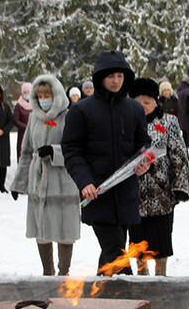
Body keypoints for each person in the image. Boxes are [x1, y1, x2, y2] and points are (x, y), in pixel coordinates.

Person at [62, 50, 152, 274]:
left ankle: (102, 296)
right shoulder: (81, 110)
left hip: (126, 195)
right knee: (116, 253)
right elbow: (72, 150)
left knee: (112, 252)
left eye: (120, 76)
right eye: (111, 76)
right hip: (97, 193)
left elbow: (143, 145)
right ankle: (127, 299)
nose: (116, 81)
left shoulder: (135, 109)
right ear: (100, 77)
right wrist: (85, 182)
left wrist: (145, 162)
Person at [10, 75, 80, 276]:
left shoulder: (69, 116)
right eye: (39, 95)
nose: (43, 99)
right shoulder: (33, 117)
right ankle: (47, 272)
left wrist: (55, 152)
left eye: (47, 95)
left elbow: (76, 149)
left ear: (56, 94)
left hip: (63, 180)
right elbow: (25, 152)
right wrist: (19, 183)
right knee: (41, 229)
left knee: (64, 230)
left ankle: (63, 272)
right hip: (39, 179)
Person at [128, 78, 189, 276]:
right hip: (134, 196)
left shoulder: (168, 121)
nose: (143, 106)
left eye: (147, 101)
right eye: (138, 101)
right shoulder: (128, 123)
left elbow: (179, 155)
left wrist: (180, 187)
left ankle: (160, 276)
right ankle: (142, 275)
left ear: (156, 101)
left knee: (160, 243)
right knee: (138, 245)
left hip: (161, 196)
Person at [14, 82, 32, 162]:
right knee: (22, 154)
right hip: (23, 134)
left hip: (34, 134)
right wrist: (26, 127)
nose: (27, 94)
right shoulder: (19, 106)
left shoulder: (35, 104)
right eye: (25, 92)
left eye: (29, 92)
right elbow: (16, 120)